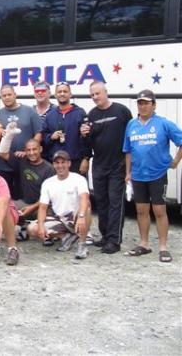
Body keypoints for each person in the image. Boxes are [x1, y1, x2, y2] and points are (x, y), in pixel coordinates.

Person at [123, 89, 182, 263]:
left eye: (146, 103)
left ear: (153, 105)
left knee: (159, 210)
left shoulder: (163, 124)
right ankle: (144, 244)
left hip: (157, 174)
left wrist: (175, 162)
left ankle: (163, 247)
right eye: (140, 103)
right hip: (138, 175)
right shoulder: (132, 125)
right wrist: (128, 172)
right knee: (141, 210)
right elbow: (128, 151)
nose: (142, 106)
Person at [81, 81, 132, 254]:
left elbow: (131, 136)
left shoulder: (121, 111)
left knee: (115, 202)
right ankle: (104, 236)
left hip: (118, 164)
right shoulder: (91, 115)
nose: (95, 97)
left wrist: (129, 164)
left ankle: (114, 240)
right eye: (92, 95)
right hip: (99, 164)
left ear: (106, 92)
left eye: (98, 93)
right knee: (101, 202)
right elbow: (88, 141)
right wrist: (84, 135)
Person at [26, 151, 92, 260]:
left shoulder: (79, 179)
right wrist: (41, 226)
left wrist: (81, 216)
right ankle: (66, 237)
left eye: (63, 162)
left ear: (69, 164)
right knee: (32, 228)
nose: (60, 166)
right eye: (57, 163)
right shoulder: (48, 183)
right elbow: (43, 207)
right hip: (59, 218)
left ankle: (82, 245)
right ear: (53, 165)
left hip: (75, 217)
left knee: (87, 208)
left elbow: (85, 198)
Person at [0, 84, 42, 200]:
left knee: (23, 197)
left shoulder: (30, 111)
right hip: (2, 164)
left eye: (9, 94)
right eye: (4, 95)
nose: (7, 97)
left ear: (15, 95)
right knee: (4, 198)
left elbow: (39, 133)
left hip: (25, 163)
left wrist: (29, 151)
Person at [0, 136, 55, 221]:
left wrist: (31, 208)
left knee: (46, 219)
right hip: (23, 203)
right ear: (25, 151)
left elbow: (48, 196)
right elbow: (2, 153)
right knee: (1, 208)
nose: (31, 153)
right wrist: (9, 135)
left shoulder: (49, 169)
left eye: (34, 149)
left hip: (41, 206)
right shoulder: (22, 161)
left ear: (40, 149)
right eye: (28, 150)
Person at [41, 82, 91, 174]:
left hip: (76, 163)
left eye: (65, 91)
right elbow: (43, 137)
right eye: (59, 92)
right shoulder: (50, 115)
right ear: (55, 95)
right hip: (56, 163)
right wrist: (51, 137)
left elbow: (87, 139)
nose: (62, 94)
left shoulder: (80, 113)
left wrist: (86, 159)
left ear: (70, 94)